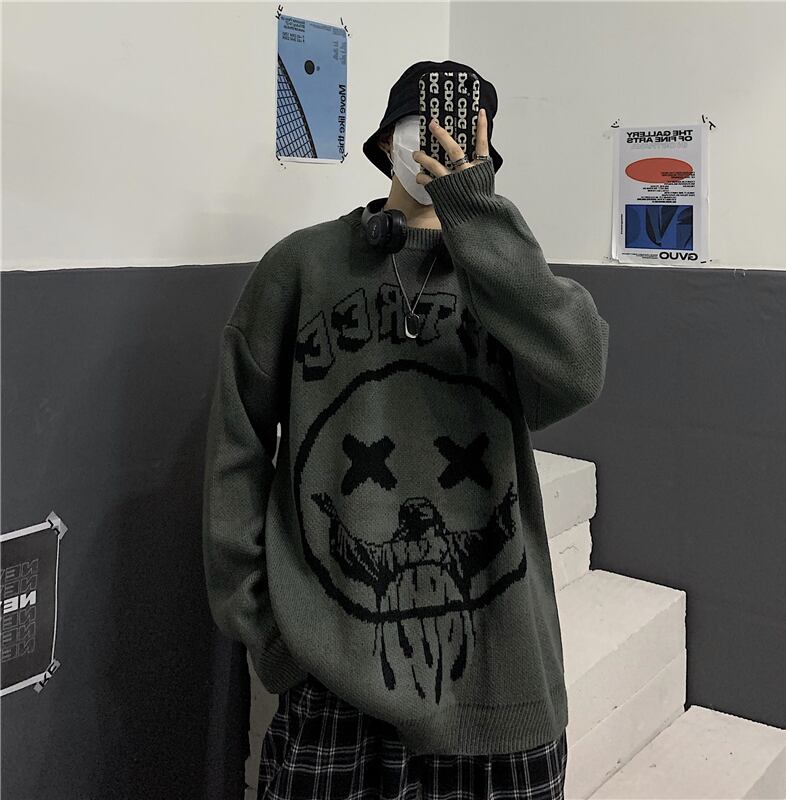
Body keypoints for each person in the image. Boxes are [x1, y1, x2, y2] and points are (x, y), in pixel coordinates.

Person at [202, 59, 609, 800]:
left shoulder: (511, 285)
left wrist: (478, 215)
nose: (436, 146)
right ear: (386, 140)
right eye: (421, 128)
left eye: (459, 133)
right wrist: (263, 621)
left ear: (486, 155)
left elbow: (578, 371)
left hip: (500, 681)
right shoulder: (301, 266)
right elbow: (238, 441)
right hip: (331, 676)